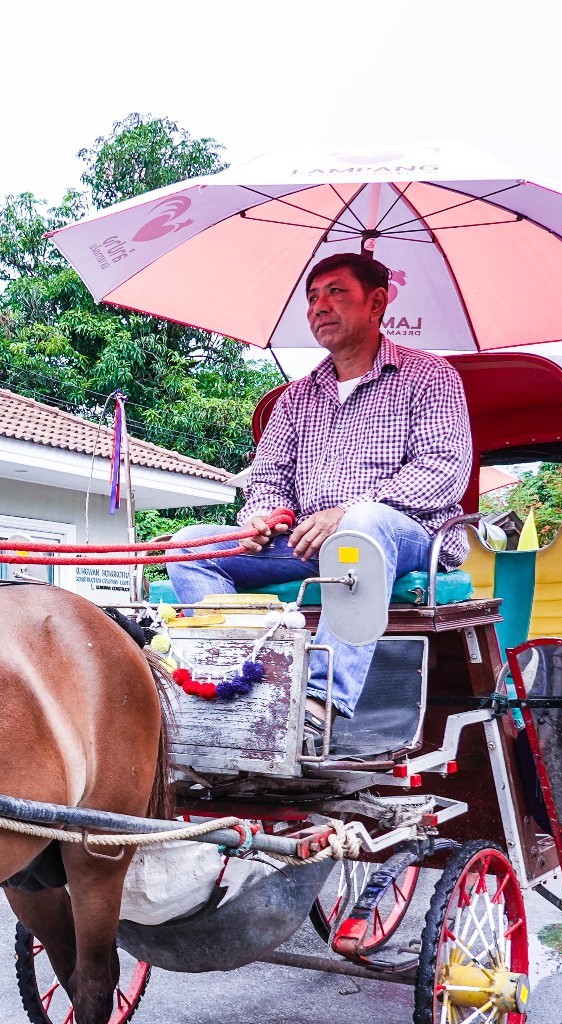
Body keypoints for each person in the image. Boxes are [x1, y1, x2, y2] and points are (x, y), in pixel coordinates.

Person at [167, 252, 471, 737]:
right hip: (310, 541)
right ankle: (241, 682)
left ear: (376, 304)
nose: (319, 306)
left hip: (411, 539)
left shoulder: (430, 377)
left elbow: (443, 471)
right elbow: (267, 475)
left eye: (335, 292)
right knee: (188, 545)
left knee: (363, 526)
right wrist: (261, 517)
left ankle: (319, 703)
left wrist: (346, 513)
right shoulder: (296, 397)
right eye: (312, 298)